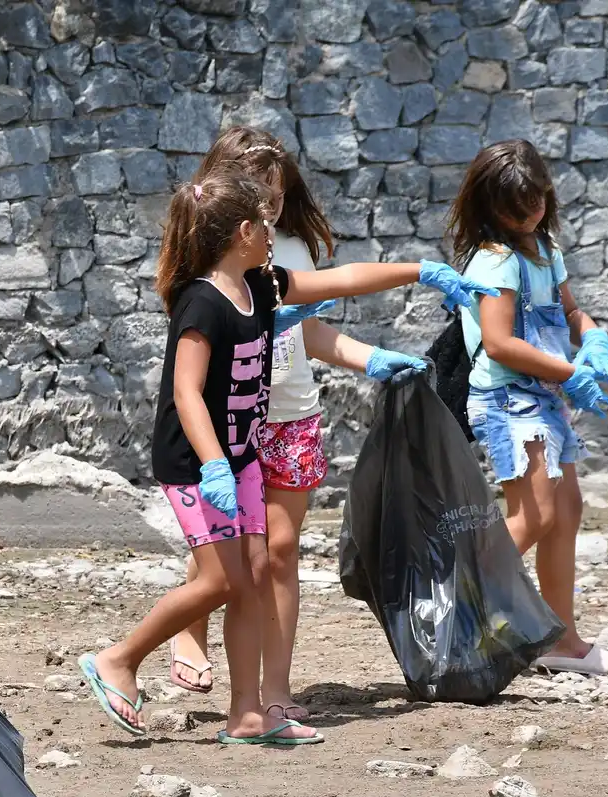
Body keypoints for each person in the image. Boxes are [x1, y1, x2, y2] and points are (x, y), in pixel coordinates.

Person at [79, 161, 497, 744]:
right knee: (221, 582)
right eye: (262, 220)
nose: (273, 228)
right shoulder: (200, 303)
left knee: (250, 578)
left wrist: (422, 271)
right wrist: (214, 464)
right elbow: (185, 392)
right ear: (241, 234)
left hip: (241, 457)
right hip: (197, 462)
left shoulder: (260, 287)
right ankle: (119, 659)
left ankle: (247, 715)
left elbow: (345, 279)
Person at [447, 139, 608, 678]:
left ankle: (561, 638)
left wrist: (593, 338)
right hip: (510, 399)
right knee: (534, 515)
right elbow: (501, 342)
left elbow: (571, 311)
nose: (528, 213)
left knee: (567, 512)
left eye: (534, 200)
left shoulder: (543, 250)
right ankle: (454, 610)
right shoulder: (494, 261)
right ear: (488, 207)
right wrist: (571, 372)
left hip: (547, 396)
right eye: (514, 206)